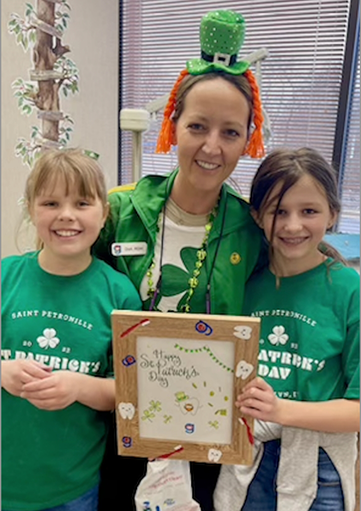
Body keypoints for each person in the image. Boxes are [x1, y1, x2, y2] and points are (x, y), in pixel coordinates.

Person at [94, 9, 266, 511]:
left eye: (231, 132)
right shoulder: (118, 212)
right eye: (197, 126)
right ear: (173, 124)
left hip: (207, 432)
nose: (212, 147)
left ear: (248, 138)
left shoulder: (253, 229)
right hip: (118, 426)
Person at [214, 147, 360, 511]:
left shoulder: (349, 291)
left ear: (332, 215)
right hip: (247, 456)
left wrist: (281, 410)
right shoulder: (240, 284)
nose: (293, 225)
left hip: (318, 464)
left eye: (308, 211)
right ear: (256, 216)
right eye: (279, 212)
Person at [1, 148, 142, 511]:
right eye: (51, 203)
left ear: (104, 212)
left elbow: (130, 392)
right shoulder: (6, 277)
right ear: (31, 209)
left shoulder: (119, 294)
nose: (66, 215)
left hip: (72, 489)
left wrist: (78, 386)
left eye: (82, 203)